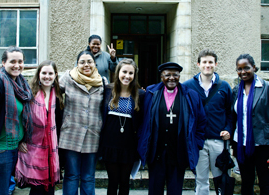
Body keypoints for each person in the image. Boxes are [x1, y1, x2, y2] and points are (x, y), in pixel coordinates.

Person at [137, 62, 207, 195]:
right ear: (161, 76)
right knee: (154, 191)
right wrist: (142, 141)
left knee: (175, 191)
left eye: (175, 75)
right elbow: (142, 119)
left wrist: (196, 144)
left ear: (179, 76)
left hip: (178, 154)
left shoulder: (190, 95)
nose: (171, 78)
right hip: (156, 154)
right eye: (167, 75)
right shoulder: (151, 93)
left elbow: (201, 122)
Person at [0, 46, 33, 195]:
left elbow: (20, 118)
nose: (17, 65)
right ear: (3, 63)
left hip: (12, 149)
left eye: (20, 61)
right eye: (12, 61)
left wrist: (22, 140)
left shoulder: (21, 85)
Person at [183, 49, 232, 195]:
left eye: (210, 62)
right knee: (201, 180)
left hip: (219, 140)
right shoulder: (188, 86)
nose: (207, 65)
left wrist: (228, 128)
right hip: (198, 142)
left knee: (221, 180)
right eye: (204, 62)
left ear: (215, 64)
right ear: (198, 64)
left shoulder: (224, 86)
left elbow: (230, 112)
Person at [232, 54, 269, 195]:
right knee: (246, 184)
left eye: (246, 68)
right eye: (239, 69)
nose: (243, 72)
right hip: (242, 146)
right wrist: (234, 146)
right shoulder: (236, 90)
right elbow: (234, 119)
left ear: (254, 67)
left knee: (265, 185)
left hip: (264, 146)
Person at [59, 50, 107, 195]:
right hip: (71, 134)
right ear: (77, 64)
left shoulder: (102, 82)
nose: (86, 65)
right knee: (72, 175)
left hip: (93, 135)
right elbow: (51, 92)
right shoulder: (67, 78)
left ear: (94, 64)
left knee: (88, 176)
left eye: (89, 62)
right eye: (82, 62)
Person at [15, 60, 64, 195]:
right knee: (37, 188)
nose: (47, 76)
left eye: (50, 73)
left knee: (50, 188)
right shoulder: (29, 94)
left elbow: (59, 124)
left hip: (52, 150)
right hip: (32, 147)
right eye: (44, 73)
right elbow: (22, 120)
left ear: (55, 75)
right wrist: (21, 141)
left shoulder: (59, 96)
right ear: (39, 74)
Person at [100, 59, 145, 195]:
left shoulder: (140, 94)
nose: (127, 76)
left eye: (130, 73)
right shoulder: (107, 90)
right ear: (118, 72)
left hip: (129, 145)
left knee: (125, 181)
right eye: (124, 72)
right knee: (113, 181)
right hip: (110, 144)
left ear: (134, 75)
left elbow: (142, 120)